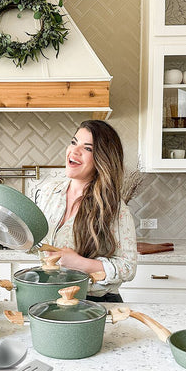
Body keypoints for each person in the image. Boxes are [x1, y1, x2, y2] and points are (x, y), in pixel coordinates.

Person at [35, 120, 137, 303]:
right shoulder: (49, 192)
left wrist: (79, 263)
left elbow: (128, 267)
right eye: (74, 142)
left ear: (102, 159)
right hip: (53, 299)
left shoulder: (114, 206)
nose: (74, 151)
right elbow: (37, 244)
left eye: (88, 148)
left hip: (95, 303)